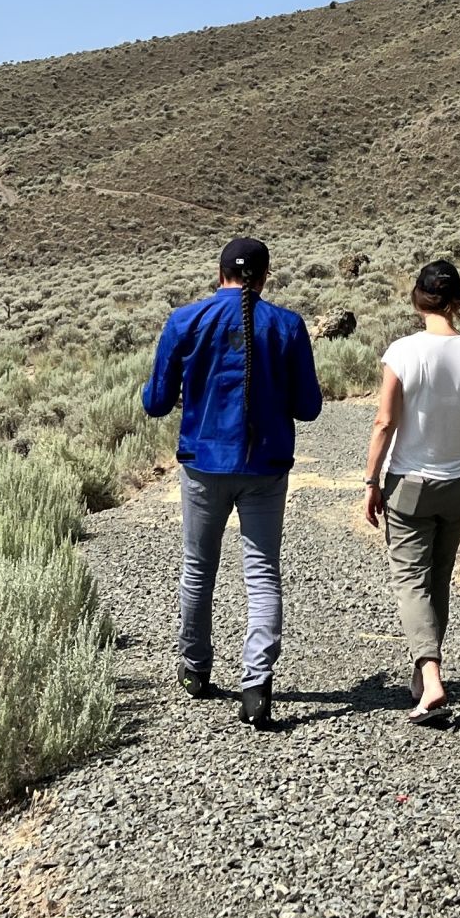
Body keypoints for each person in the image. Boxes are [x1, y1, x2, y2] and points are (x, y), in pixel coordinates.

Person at [143, 237, 323, 728]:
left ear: (218, 272)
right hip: (266, 467)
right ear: (265, 277)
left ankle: (195, 669)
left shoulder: (184, 321)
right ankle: (256, 686)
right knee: (262, 573)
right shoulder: (287, 325)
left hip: (203, 464)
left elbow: (156, 402)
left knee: (198, 568)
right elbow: (308, 407)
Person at [362, 259, 460, 726]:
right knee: (437, 578)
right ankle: (425, 676)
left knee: (410, 579)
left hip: (410, 484)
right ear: (457, 301)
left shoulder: (402, 352)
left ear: (419, 298)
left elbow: (385, 422)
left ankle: (430, 672)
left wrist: (370, 480)